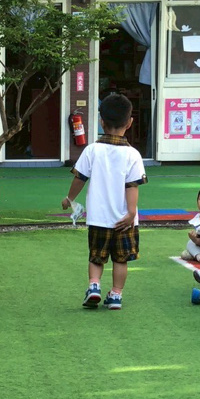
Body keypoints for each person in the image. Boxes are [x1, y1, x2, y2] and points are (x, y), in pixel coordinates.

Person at [62, 93, 147, 310]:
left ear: (101, 122)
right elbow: (132, 186)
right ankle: (116, 295)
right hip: (124, 219)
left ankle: (94, 286)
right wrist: (131, 213)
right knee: (121, 259)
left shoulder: (92, 150)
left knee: (96, 257)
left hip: (98, 218)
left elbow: (80, 178)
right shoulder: (133, 155)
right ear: (130, 123)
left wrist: (70, 198)